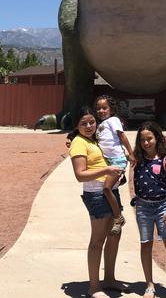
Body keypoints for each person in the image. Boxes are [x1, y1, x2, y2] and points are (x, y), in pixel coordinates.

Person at [69, 106, 126, 298]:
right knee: (98, 239)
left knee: (114, 234)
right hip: (96, 195)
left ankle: (109, 278)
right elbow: (80, 175)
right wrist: (106, 171)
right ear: (76, 125)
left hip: (110, 191)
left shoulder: (94, 139)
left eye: (92, 122)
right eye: (83, 123)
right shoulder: (79, 142)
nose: (89, 126)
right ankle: (94, 286)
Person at [67, 95, 135, 234]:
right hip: (98, 189)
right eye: (98, 108)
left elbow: (121, 136)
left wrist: (130, 153)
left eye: (105, 108)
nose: (101, 111)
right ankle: (118, 217)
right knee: (99, 238)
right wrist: (72, 137)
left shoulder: (112, 121)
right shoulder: (95, 131)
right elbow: (80, 174)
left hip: (115, 164)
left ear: (112, 109)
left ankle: (117, 217)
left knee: (107, 189)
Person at [133, 122, 166, 298]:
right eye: (142, 140)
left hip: (162, 206)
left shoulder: (165, 160)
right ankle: (149, 284)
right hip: (143, 207)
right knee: (146, 244)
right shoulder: (137, 160)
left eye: (149, 138)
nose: (146, 143)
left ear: (157, 138)